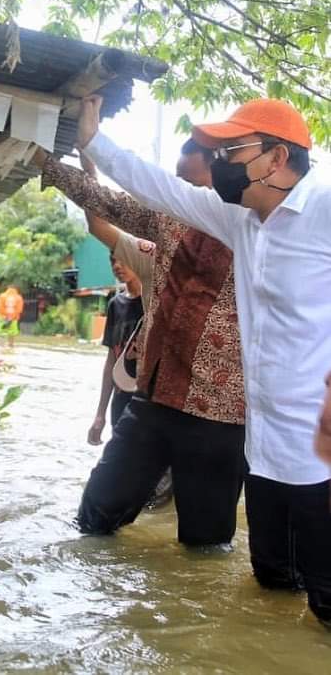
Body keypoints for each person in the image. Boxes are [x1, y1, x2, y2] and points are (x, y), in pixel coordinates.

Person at [77, 95, 331, 627]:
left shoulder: (324, 209)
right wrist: (93, 141)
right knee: (272, 591)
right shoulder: (238, 220)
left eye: (230, 151)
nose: (218, 164)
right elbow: (158, 187)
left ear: (277, 158)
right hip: (263, 452)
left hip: (319, 458)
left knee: (325, 603)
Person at [34, 137, 245, 548]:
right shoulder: (166, 223)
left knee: (206, 546)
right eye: (178, 181)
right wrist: (49, 160)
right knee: (94, 515)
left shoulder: (257, 231)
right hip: (153, 398)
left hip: (219, 412)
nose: (181, 190)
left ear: (220, 175)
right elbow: (105, 206)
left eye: (190, 181)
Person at [91, 257, 143, 445]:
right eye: (113, 261)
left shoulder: (154, 302)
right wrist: (100, 414)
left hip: (148, 402)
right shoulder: (115, 305)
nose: (117, 266)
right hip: (121, 400)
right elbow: (111, 360)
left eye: (123, 259)